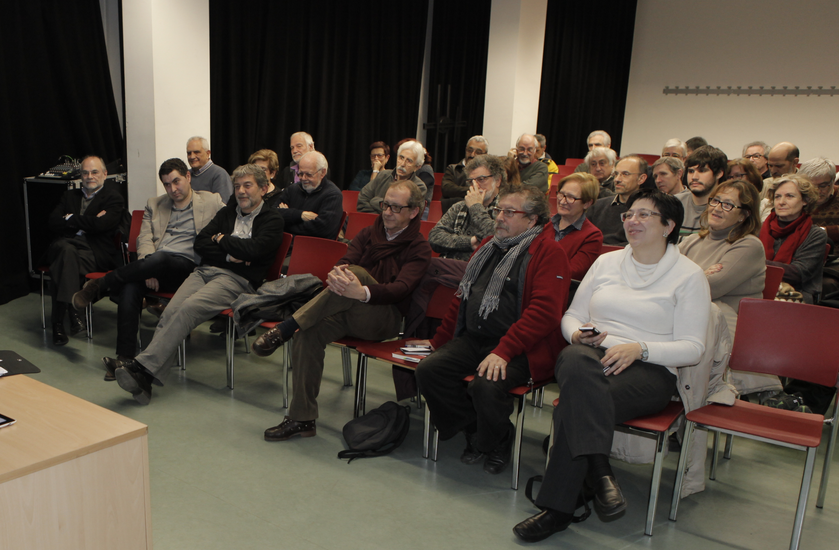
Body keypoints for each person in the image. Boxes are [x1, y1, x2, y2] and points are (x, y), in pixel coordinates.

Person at [513, 189, 710, 543]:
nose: (632, 221)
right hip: (591, 356)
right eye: (629, 214)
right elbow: (572, 314)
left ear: (669, 226)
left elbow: (693, 348)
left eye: (644, 215)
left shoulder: (689, 275)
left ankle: (562, 506)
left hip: (649, 371)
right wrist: (576, 335)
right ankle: (599, 474)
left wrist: (641, 349)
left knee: (575, 403)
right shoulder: (607, 262)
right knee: (574, 360)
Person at [255, 180, 432, 441]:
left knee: (357, 273)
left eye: (396, 207)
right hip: (348, 308)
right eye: (385, 205)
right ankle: (301, 419)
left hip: (385, 317)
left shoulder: (419, 247)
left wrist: (362, 292)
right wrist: (338, 273)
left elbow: (401, 288)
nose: (387, 212)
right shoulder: (369, 233)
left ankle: (286, 326)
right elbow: (344, 261)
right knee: (309, 331)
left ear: (414, 211)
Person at [414, 185, 570, 475]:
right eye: (499, 210)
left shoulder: (549, 252)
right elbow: (462, 298)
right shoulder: (489, 245)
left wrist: (504, 350)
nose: (499, 217)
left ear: (532, 219)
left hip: (521, 348)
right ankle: (476, 429)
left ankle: (496, 440)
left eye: (509, 212)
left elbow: (545, 313)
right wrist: (439, 341)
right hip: (475, 337)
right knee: (429, 371)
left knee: (485, 385)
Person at [105, 164, 285, 404]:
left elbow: (254, 250)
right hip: (204, 271)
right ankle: (144, 380)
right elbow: (201, 243)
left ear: (263, 189)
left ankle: (140, 368)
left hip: (236, 280)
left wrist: (221, 240)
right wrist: (230, 251)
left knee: (189, 309)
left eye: (247, 185)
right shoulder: (227, 213)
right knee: (169, 313)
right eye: (237, 186)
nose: (241, 191)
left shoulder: (272, 219)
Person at [71, 158, 225, 377]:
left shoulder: (211, 201)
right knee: (130, 287)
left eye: (177, 182)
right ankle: (124, 358)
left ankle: (100, 284)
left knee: (159, 259)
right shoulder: (155, 204)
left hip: (188, 267)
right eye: (167, 184)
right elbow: (144, 239)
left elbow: (233, 220)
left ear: (188, 177)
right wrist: (148, 266)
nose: (173, 189)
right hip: (154, 264)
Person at [46, 155, 126, 346]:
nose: (90, 176)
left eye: (95, 172)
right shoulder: (69, 196)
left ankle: (58, 323)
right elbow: (53, 222)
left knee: (64, 262)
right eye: (85, 172)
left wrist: (71, 219)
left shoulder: (113, 198)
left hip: (93, 252)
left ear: (105, 174)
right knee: (66, 252)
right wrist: (90, 221)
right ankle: (75, 310)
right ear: (80, 175)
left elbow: (102, 225)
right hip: (65, 244)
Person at [680, 179, 765, 337]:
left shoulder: (749, 245)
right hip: (686, 317)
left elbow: (711, 288)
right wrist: (702, 275)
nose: (717, 208)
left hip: (726, 326)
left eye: (728, 205)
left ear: (743, 215)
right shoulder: (693, 240)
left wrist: (686, 277)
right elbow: (660, 272)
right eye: (715, 201)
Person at [761, 174, 826, 304]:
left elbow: (798, 273)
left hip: (797, 293)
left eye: (789, 196)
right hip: (759, 286)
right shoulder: (760, 228)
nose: (781, 202)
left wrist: (755, 263)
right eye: (777, 196)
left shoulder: (816, 234)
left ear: (805, 200)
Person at [428, 154, 503, 261]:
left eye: (481, 179)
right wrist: (469, 242)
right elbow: (434, 238)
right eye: (471, 181)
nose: (475, 186)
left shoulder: (505, 210)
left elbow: (498, 239)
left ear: (498, 180)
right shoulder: (460, 206)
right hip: (449, 267)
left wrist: (475, 207)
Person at [541, 173, 603, 280]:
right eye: (561, 194)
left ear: (587, 203)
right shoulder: (544, 224)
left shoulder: (592, 236)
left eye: (570, 197)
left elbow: (573, 271)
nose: (562, 201)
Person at [276, 151, 343, 239]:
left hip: (315, 248)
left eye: (308, 174)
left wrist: (286, 223)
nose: (303, 178)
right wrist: (300, 215)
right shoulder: (293, 189)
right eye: (300, 174)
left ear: (322, 173)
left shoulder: (333, 195)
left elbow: (322, 229)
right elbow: (273, 214)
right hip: (287, 244)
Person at [586, 155, 647, 245]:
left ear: (641, 179)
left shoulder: (648, 211)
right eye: (616, 174)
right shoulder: (597, 206)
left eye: (625, 174)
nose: (617, 179)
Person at [357, 140, 427, 213]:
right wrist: (381, 218)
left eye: (409, 161)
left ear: (417, 167)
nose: (402, 164)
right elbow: (362, 201)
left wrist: (374, 201)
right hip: (373, 222)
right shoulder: (383, 175)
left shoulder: (419, 187)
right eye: (401, 158)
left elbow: (406, 214)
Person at [677, 145, 728, 234]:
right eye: (691, 171)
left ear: (719, 173)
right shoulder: (674, 203)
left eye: (702, 171)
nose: (694, 177)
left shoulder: (726, 208)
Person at [441, 136, 489, 211]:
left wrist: (459, 192)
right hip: (450, 209)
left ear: (485, 154)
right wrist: (474, 191)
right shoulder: (453, 169)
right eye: (470, 150)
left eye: (478, 152)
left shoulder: (487, 174)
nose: (472, 155)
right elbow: (447, 189)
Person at [801, 157, 839, 246]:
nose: (817, 190)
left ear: (833, 180)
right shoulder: (797, 198)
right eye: (811, 186)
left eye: (823, 186)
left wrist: (822, 231)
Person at [186, 136, 233, 202]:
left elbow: (223, 205)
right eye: (189, 153)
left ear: (208, 154)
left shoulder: (219, 174)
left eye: (196, 152)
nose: (192, 156)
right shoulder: (186, 175)